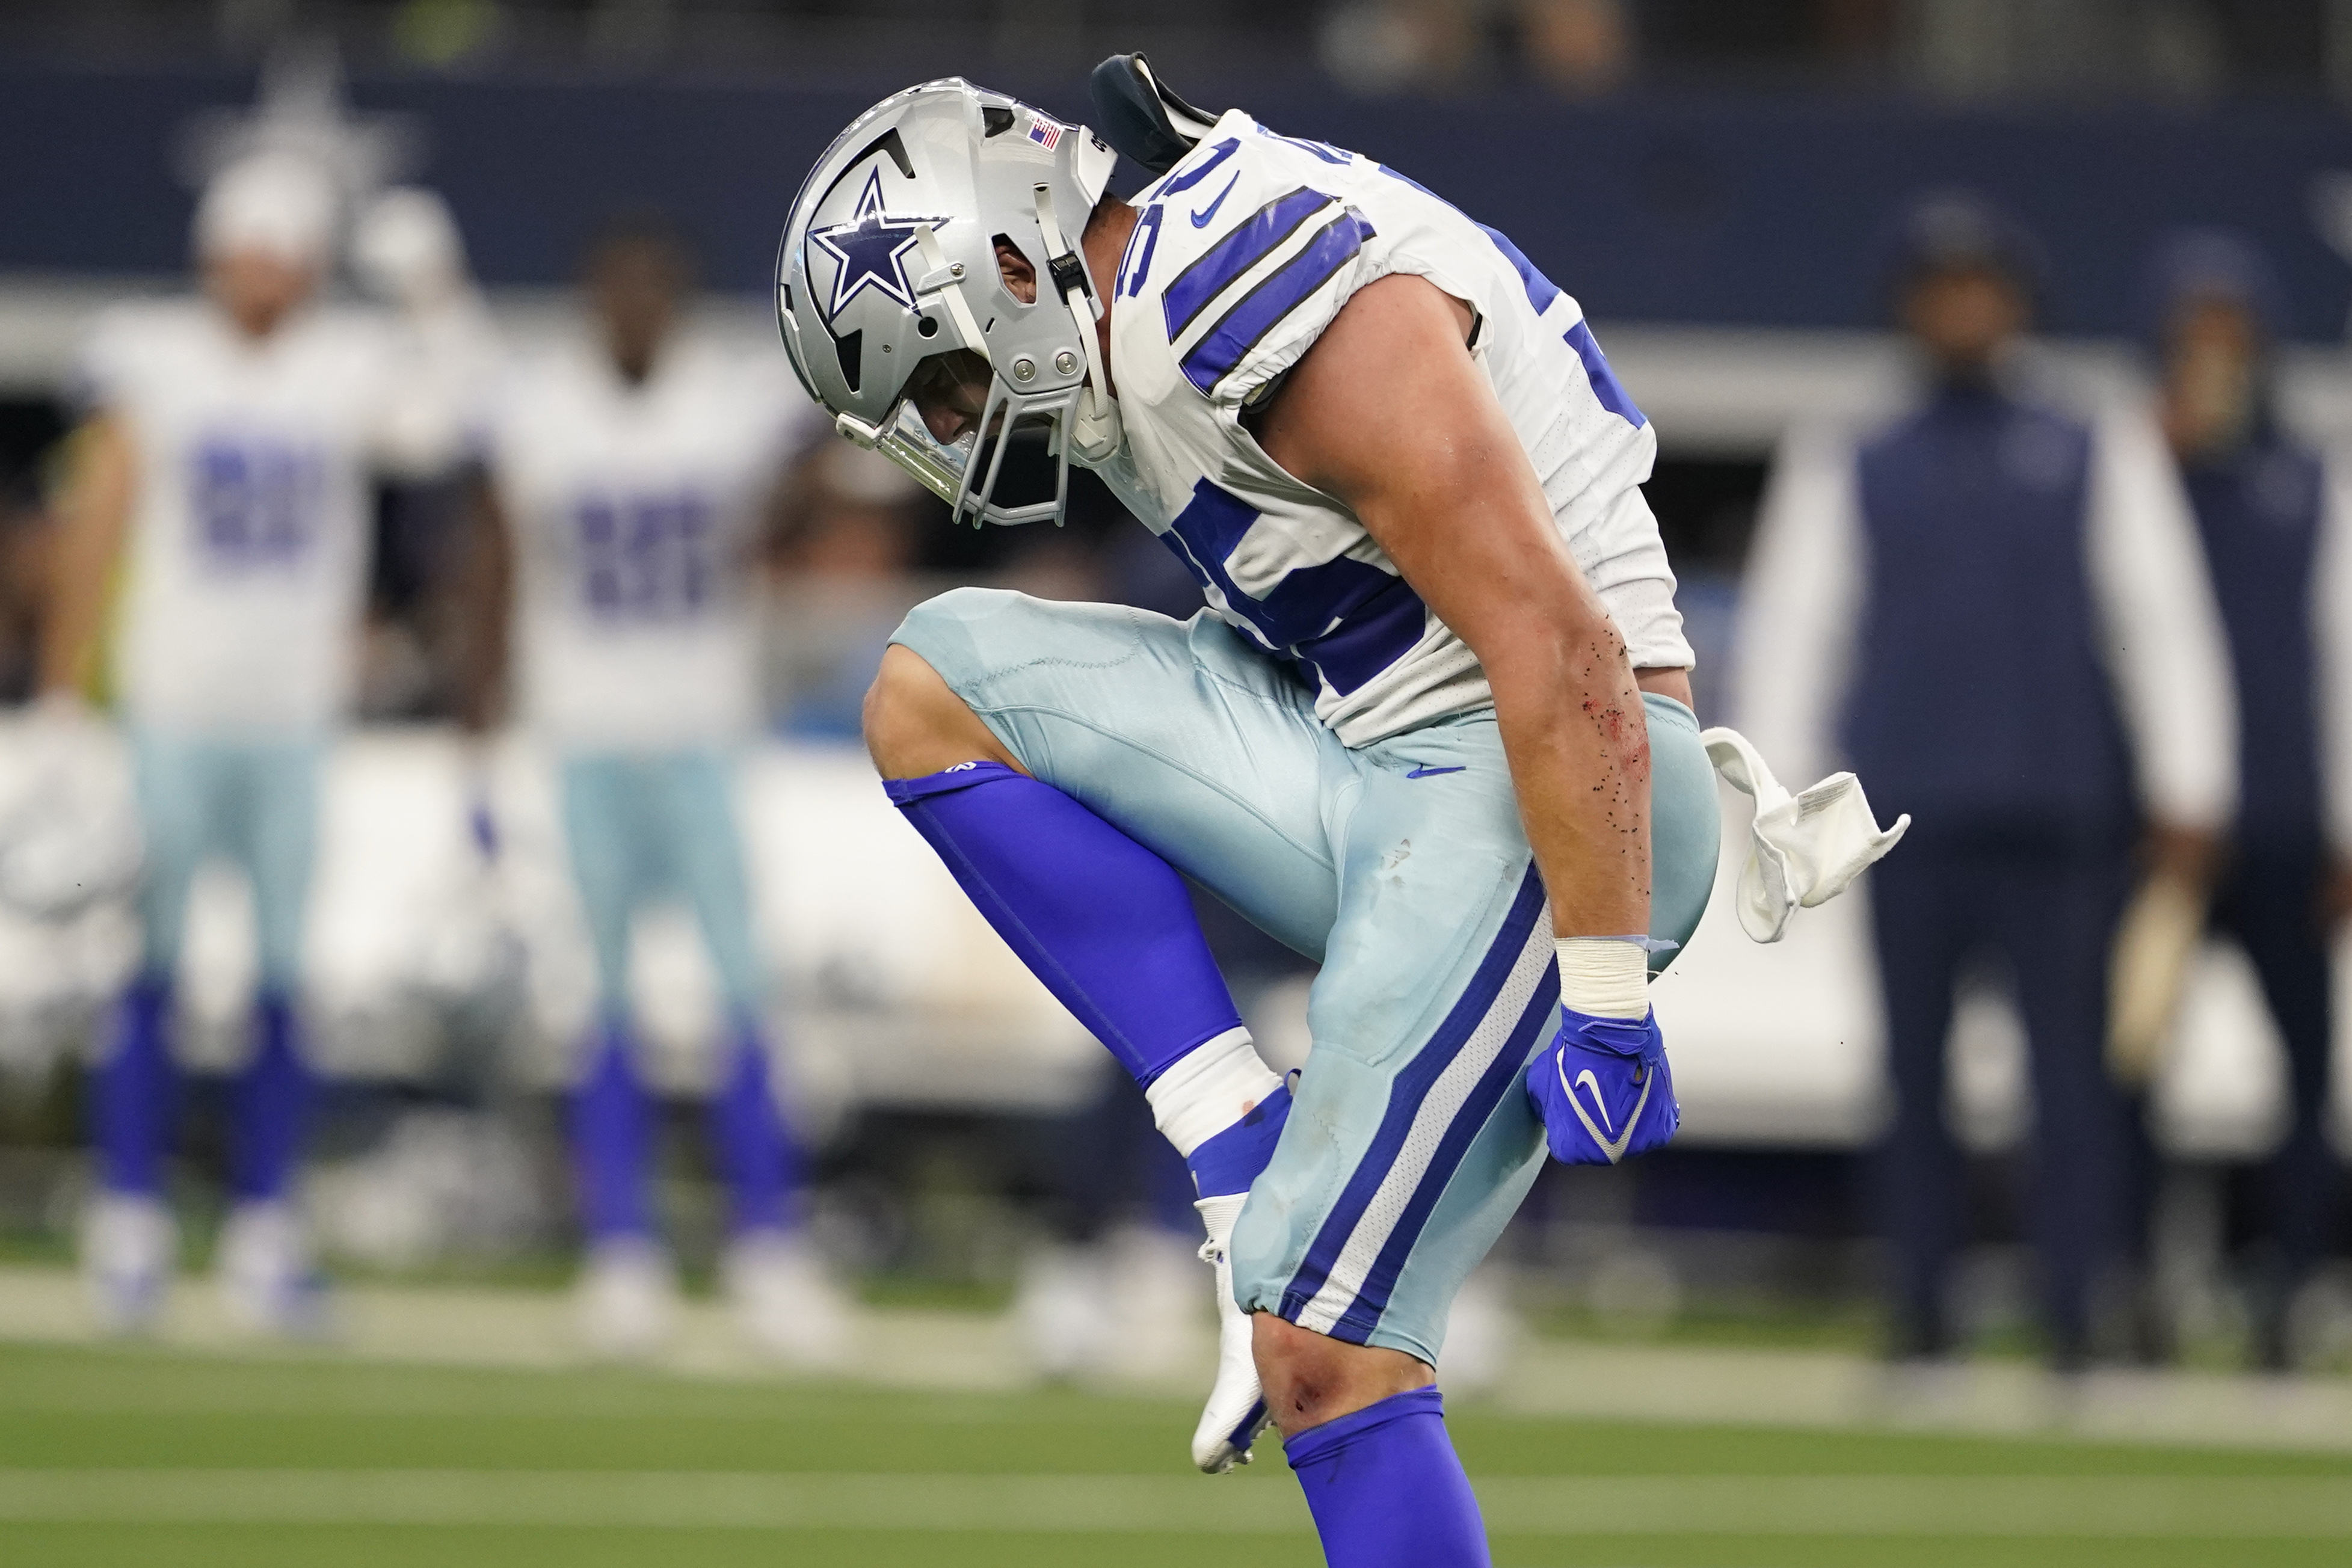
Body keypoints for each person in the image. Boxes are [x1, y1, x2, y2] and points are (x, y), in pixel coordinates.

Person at [773, 58, 1785, 1564]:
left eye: (939, 376)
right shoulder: (1125, 315)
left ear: (1005, 259)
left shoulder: (1241, 285)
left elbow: (1552, 639)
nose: (945, 426)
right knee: (929, 685)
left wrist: (1604, 979)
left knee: (1325, 1346)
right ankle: (1226, 1131)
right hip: (1376, 762)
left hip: (1553, 783)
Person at [1737, 192, 2237, 1371]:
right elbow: (1799, 629)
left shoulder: (2090, 440)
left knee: (2073, 1083)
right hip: (1905, 819)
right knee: (1909, 1079)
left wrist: (2187, 785)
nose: (1961, 307)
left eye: (1980, 285)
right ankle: (1919, 1315)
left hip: (2057, 814)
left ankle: (2075, 1317)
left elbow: (2154, 618)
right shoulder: (1849, 449)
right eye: (1939, 286)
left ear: (2015, 303)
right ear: (1909, 306)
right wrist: (1779, 801)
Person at [45, 152, 492, 1335]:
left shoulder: (344, 364)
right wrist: (56, 694)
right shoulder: (156, 358)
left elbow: (455, 419)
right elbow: (95, 521)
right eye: (250, 251)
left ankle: (262, 1223)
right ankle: (128, 1215)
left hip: (291, 719)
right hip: (172, 706)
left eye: (285, 254)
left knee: (284, 978)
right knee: (146, 967)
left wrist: (435, 288)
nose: (266, 276)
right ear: (213, 256)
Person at [464, 219, 847, 1361]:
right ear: (593, 303)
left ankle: (766, 1244)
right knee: (604, 1007)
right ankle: (622, 1250)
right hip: (584, 738)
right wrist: (474, 728)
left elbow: (813, 468)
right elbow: (491, 559)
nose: (634, 311)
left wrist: (793, 494)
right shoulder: (540, 409)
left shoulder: (723, 401)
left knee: (742, 1000)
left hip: (701, 738)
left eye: (652, 292)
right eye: (617, 291)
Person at [2141, 229, 2351, 1370]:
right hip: (2157, 843)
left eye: (2230, 335)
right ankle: (2150, 1291)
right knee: (2130, 1072)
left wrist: (2341, 829)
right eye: (2192, 336)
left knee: (2301, 1079)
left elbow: (2338, 653)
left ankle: (2292, 1295)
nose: (2212, 357)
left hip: (2279, 825)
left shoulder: (2309, 482)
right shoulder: (2123, 472)